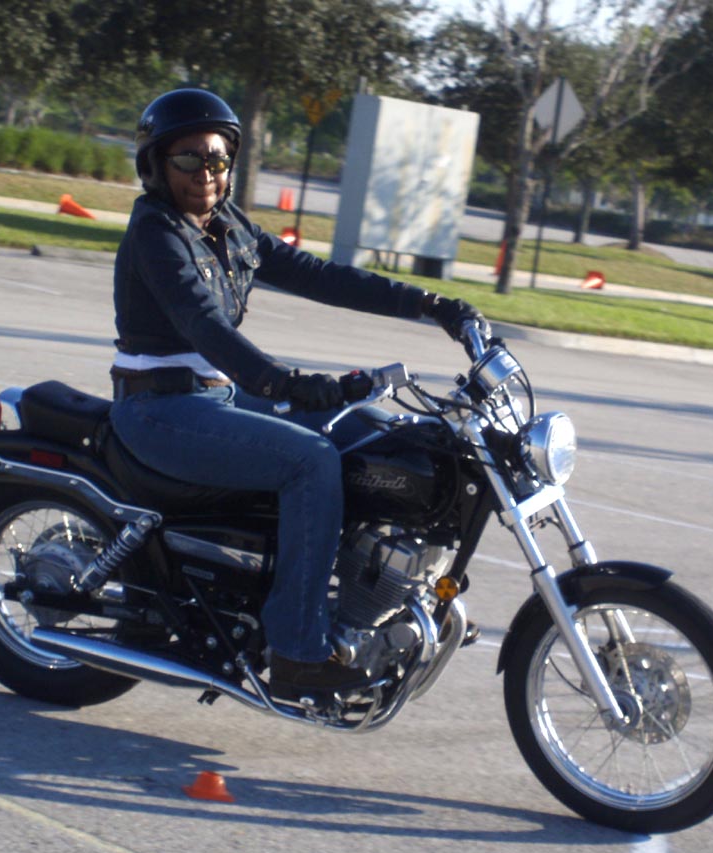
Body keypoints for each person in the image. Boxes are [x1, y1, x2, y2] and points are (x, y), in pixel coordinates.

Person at [110, 88, 485, 699]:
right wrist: (281, 383)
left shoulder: (227, 225)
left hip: (215, 397)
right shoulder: (156, 233)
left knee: (369, 429)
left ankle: (363, 599)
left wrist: (430, 305)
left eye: (216, 159)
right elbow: (203, 323)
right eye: (188, 159)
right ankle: (296, 652)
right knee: (310, 462)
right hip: (160, 408)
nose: (205, 173)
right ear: (155, 164)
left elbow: (319, 275)